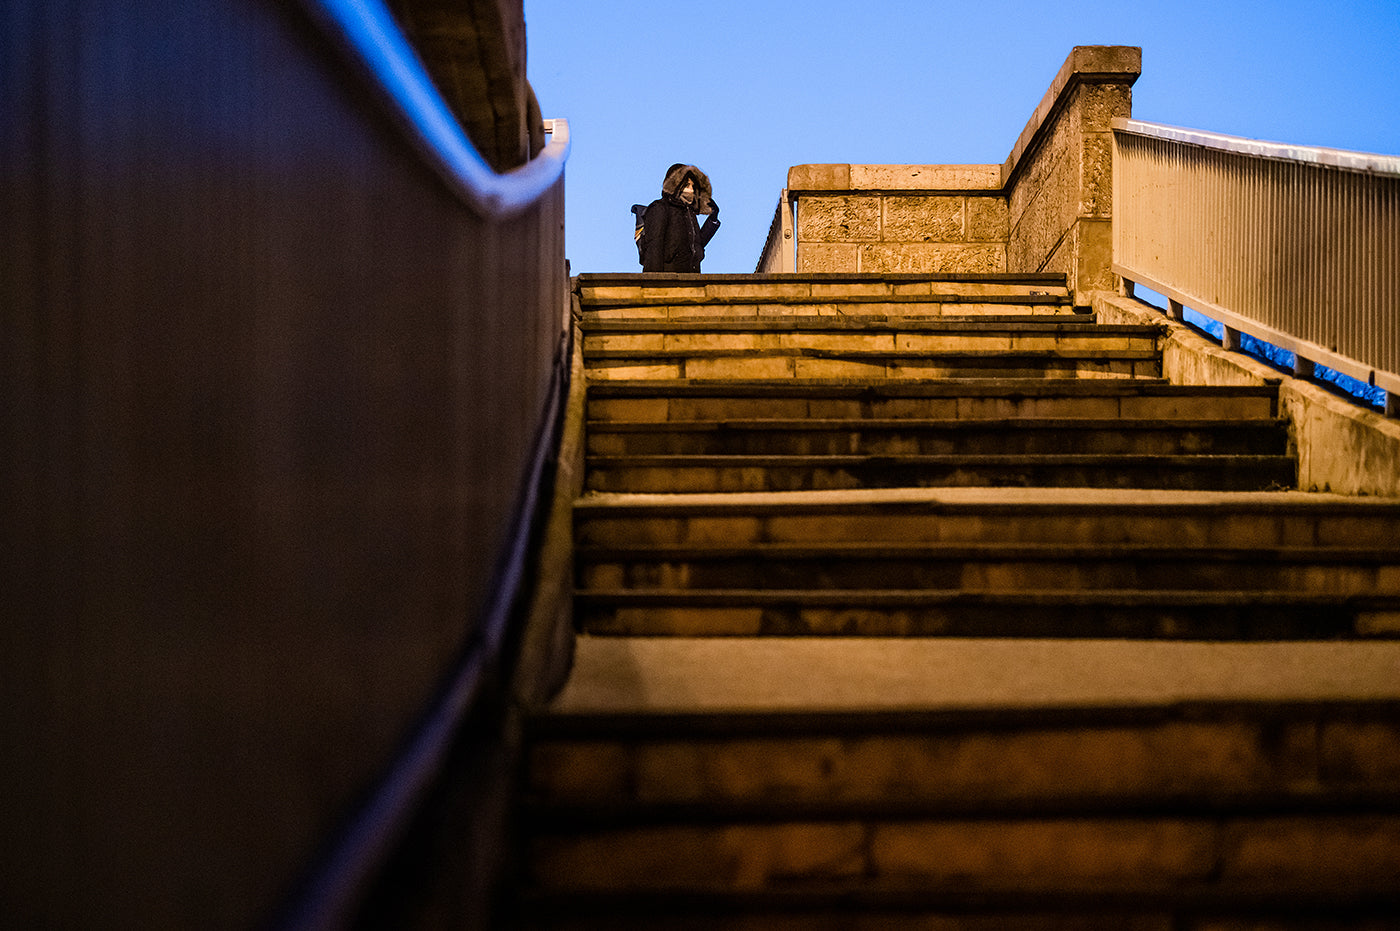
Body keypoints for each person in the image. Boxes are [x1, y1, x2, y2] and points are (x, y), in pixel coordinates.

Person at [640, 164, 720, 273]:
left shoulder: (689, 213)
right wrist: (654, 282)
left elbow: (697, 245)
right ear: (675, 185)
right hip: (669, 278)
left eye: (693, 186)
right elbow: (654, 246)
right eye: (687, 185)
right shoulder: (660, 208)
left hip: (692, 278)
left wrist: (712, 220)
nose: (691, 191)